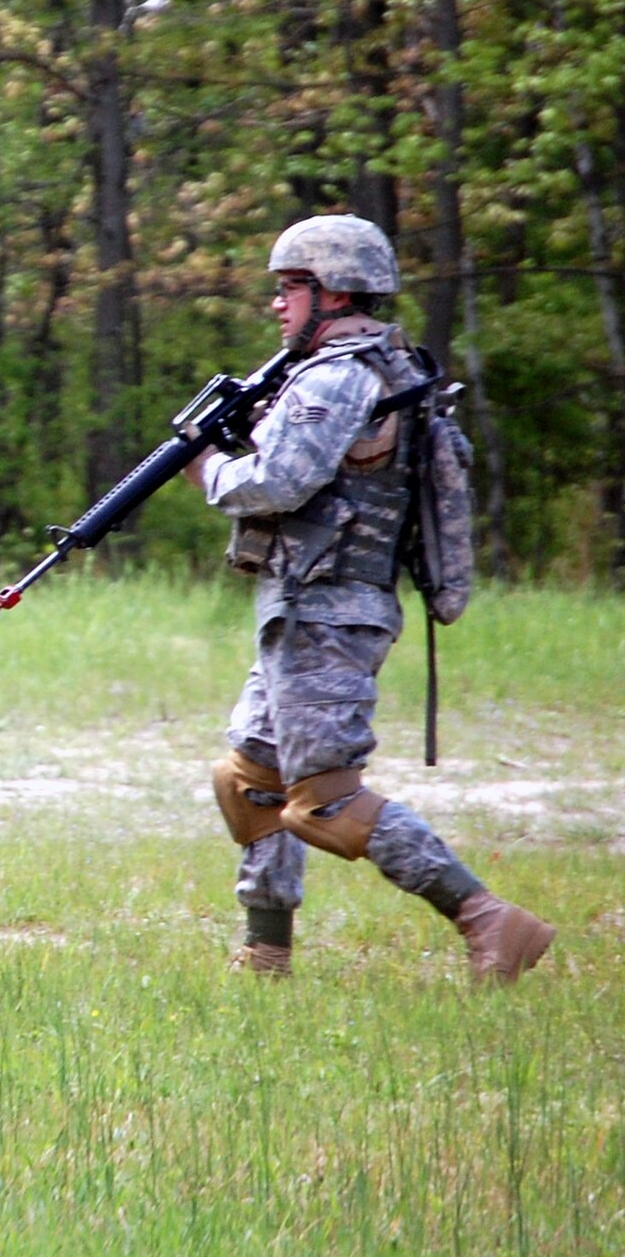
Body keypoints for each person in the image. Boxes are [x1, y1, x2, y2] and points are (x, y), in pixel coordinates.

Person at [182, 213, 553, 983]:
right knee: (251, 781)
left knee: (324, 802)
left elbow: (276, 483)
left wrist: (211, 468)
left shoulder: (337, 378)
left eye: (292, 288)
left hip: (328, 613)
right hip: (306, 607)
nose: (278, 305)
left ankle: (489, 921)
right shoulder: (354, 369)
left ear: (335, 292)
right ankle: (265, 954)